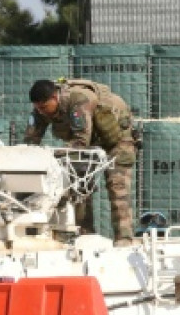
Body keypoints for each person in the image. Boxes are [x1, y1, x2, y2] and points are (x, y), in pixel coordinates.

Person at [24, 78, 136, 246]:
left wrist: (54, 155)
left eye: (44, 107)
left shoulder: (79, 100)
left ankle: (124, 240)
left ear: (55, 98)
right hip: (89, 143)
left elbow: (80, 142)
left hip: (116, 142)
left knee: (117, 186)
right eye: (37, 108)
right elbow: (30, 141)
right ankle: (85, 236)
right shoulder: (41, 110)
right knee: (78, 187)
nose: (41, 112)